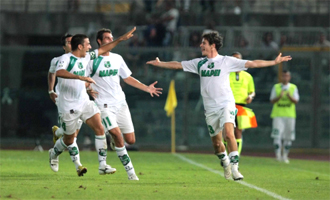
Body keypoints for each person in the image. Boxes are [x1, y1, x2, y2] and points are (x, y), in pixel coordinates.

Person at [147, 31, 292, 181]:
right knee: (217, 145)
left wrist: (274, 62)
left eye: (204, 43)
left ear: (212, 45)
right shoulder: (199, 63)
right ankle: (225, 162)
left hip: (226, 104)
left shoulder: (226, 61)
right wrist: (160, 64)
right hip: (210, 109)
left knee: (230, 134)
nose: (200, 45)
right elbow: (178, 65)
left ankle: (235, 168)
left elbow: (252, 63)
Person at [48, 27, 136, 177]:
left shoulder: (87, 57)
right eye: (88, 44)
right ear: (80, 46)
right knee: (69, 140)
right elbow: (59, 72)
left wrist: (120, 39)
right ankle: (54, 153)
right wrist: (81, 78)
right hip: (68, 105)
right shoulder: (66, 59)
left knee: (100, 128)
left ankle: (102, 165)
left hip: (84, 102)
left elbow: (103, 49)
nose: (90, 47)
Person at [86, 28, 162, 180]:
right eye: (107, 38)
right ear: (100, 41)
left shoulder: (117, 58)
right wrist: (88, 89)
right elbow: (83, 78)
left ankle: (116, 141)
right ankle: (131, 173)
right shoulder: (91, 59)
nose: (111, 40)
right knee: (116, 133)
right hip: (104, 105)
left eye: (112, 37)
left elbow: (127, 78)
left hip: (121, 103)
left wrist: (146, 88)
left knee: (131, 140)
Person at [47, 34, 84, 172]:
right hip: (65, 101)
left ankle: (58, 134)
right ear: (64, 46)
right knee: (72, 136)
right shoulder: (57, 61)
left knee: (71, 135)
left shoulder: (84, 59)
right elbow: (51, 74)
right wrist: (51, 90)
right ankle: (78, 165)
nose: (72, 43)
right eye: (69, 42)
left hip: (81, 100)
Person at [228, 52, 257, 156]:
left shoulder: (247, 76)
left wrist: (250, 96)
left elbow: (252, 91)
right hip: (227, 105)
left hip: (241, 106)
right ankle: (227, 155)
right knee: (226, 131)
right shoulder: (226, 74)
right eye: (234, 58)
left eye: (238, 59)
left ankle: (236, 156)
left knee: (238, 131)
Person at [270, 70, 299, 164]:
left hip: (290, 115)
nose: (285, 78)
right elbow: (272, 100)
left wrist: (289, 96)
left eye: (287, 76)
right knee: (277, 136)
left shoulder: (293, 87)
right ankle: (278, 156)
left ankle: (285, 156)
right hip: (278, 115)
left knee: (288, 137)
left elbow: (296, 101)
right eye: (283, 76)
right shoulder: (276, 87)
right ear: (281, 77)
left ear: (289, 77)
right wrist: (280, 96)